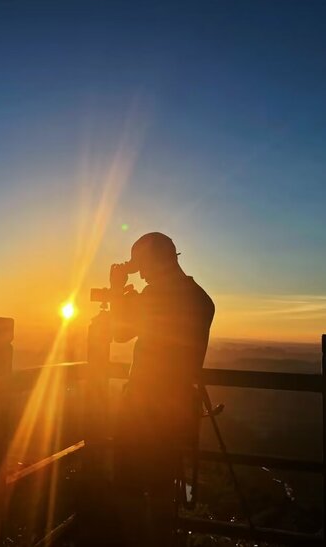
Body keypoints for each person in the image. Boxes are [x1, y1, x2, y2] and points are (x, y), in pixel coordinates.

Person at [109, 232, 215, 546]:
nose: (139, 272)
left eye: (141, 264)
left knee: (129, 483)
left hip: (144, 406)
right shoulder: (200, 297)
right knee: (162, 485)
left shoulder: (158, 296)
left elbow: (119, 332)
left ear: (157, 260)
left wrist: (117, 291)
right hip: (179, 406)